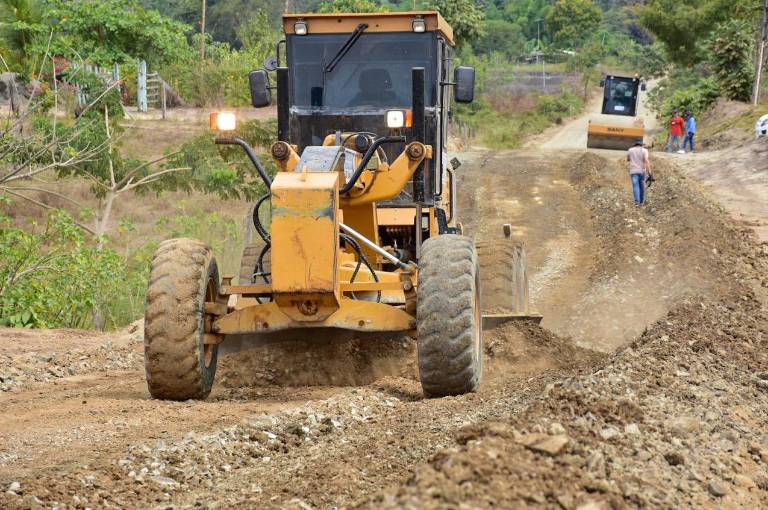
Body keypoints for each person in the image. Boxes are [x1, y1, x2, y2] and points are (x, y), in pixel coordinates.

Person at [627, 139, 652, 206]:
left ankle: (637, 202)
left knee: (635, 186)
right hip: (642, 171)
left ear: (635, 144)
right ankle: (641, 201)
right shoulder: (644, 150)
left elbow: (628, 159)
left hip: (633, 171)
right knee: (642, 186)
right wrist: (649, 172)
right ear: (641, 144)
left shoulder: (630, 150)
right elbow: (646, 161)